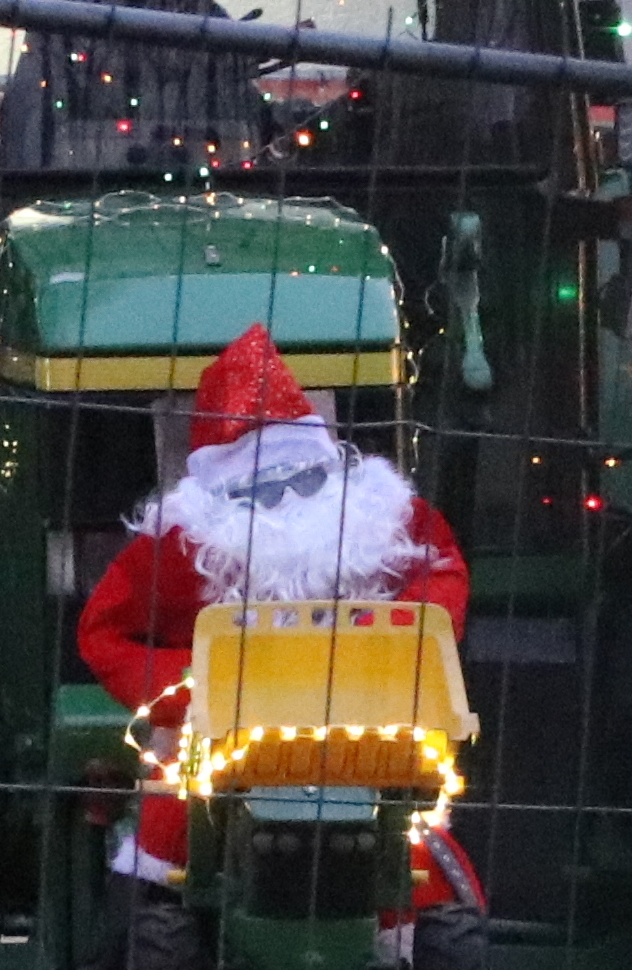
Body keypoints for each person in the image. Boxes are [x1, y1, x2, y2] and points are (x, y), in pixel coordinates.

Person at [76, 322, 474, 922]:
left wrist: (394, 642)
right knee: (167, 860)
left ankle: (409, 961)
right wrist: (194, 682)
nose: (286, 500)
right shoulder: (181, 552)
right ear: (221, 494)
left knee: (414, 859)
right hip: (220, 745)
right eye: (259, 490)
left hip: (368, 733)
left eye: (302, 480)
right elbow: (105, 633)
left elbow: (439, 580)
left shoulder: (387, 524)